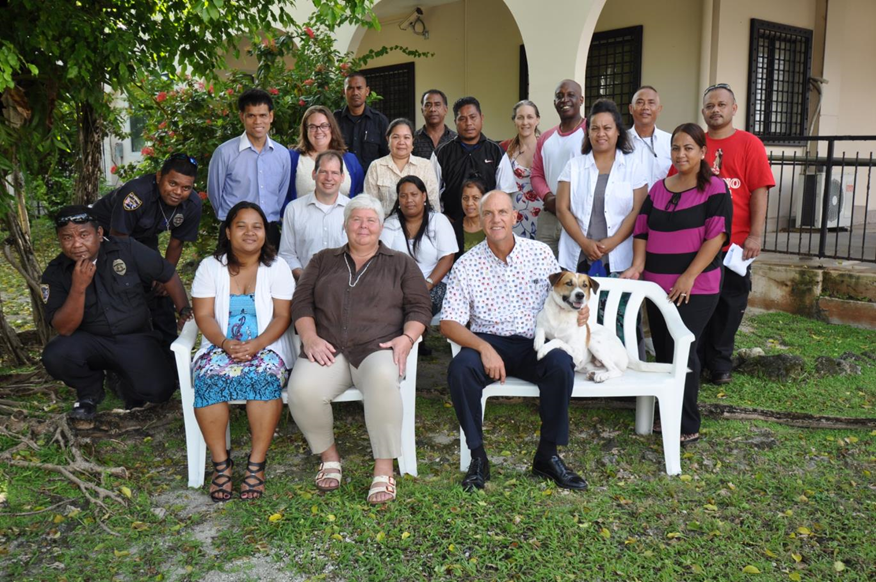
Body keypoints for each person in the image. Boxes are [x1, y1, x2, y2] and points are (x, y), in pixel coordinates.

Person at [441, 190, 589, 492]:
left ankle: (547, 456)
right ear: (480, 219)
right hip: (487, 343)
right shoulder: (466, 265)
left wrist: (581, 309)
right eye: (489, 214)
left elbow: (568, 290)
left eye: (503, 213)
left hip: (535, 341)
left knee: (561, 364)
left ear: (515, 217)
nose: (496, 220)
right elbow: (448, 323)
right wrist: (483, 348)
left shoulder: (539, 254)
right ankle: (478, 457)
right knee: (460, 369)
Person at [287, 195, 431, 505]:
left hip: (378, 345)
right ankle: (329, 457)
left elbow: (420, 307)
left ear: (381, 227)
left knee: (381, 378)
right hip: (329, 346)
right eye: (356, 219)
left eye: (370, 220)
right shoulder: (322, 259)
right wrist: (310, 337)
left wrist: (407, 338)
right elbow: (301, 301)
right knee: (301, 389)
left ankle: (383, 468)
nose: (363, 226)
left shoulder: (401, 263)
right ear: (345, 224)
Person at [621, 123, 733, 444]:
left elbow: (717, 236)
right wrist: (639, 267)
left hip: (695, 286)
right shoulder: (659, 188)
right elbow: (641, 229)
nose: (681, 154)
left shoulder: (715, 188)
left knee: (684, 349)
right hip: (657, 287)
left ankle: (686, 422)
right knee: (665, 350)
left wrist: (688, 276)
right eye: (675, 148)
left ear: (702, 152)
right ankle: (664, 410)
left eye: (688, 148)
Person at [40, 206, 193, 420]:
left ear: (99, 233)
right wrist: (78, 287)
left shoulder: (126, 249)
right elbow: (64, 328)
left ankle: (121, 376)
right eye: (67, 238)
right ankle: (89, 391)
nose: (76, 244)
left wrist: (183, 309)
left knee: (160, 390)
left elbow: (167, 273)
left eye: (84, 235)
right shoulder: (55, 272)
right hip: (90, 341)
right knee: (55, 355)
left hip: (134, 338)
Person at [190, 201, 296, 502]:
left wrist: (257, 344)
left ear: (266, 233)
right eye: (241, 226)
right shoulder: (210, 267)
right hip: (220, 346)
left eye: (257, 226)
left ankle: (255, 464)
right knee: (209, 380)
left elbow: (282, 317)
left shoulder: (277, 267)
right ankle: (221, 465)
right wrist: (225, 344)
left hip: (266, 346)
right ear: (228, 231)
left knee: (263, 380)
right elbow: (205, 316)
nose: (250, 232)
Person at [697, 83, 774, 385]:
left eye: (722, 105)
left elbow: (759, 191)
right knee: (700, 303)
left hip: (735, 245)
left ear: (734, 109)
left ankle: (720, 363)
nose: (715, 110)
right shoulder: (695, 142)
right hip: (699, 243)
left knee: (730, 304)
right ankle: (697, 359)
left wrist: (754, 235)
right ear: (703, 111)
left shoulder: (749, 143)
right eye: (710, 105)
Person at [90, 153, 202, 347]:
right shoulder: (136, 194)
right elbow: (119, 239)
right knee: (126, 287)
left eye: (186, 187)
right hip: (105, 235)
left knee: (160, 291)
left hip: (142, 237)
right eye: (172, 183)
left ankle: (169, 358)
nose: (178, 192)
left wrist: (162, 276)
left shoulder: (192, 204)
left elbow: (177, 243)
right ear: (159, 177)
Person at [556, 99, 649, 277]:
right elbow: (561, 209)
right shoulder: (573, 166)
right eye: (595, 128)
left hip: (619, 256)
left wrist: (612, 242)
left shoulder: (634, 167)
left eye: (607, 128)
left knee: (614, 304)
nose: (601, 134)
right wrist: (584, 243)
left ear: (618, 132)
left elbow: (638, 210)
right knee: (579, 304)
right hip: (578, 254)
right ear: (588, 133)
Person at [207, 88, 291, 248]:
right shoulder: (224, 153)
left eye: (263, 115)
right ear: (242, 117)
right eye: (251, 115)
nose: (257, 122)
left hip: (269, 231)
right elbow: (215, 194)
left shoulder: (282, 154)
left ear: (271, 116)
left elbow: (280, 195)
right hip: (234, 232)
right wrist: (232, 219)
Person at [433, 96, 515, 246]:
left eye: (472, 117)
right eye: (462, 119)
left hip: (489, 227)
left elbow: (505, 192)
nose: (468, 123)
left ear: (481, 118)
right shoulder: (441, 153)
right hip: (451, 226)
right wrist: (442, 220)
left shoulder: (495, 152)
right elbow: (432, 192)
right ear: (455, 122)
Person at [380, 175, 457, 315]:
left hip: (434, 284)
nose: (409, 200)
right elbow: (383, 261)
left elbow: (448, 258)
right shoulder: (390, 224)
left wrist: (426, 285)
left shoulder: (438, 220)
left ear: (424, 196)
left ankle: (411, 335)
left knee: (416, 311)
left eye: (414, 194)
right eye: (403, 196)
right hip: (397, 287)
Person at [531, 79, 588, 257]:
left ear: (581, 100)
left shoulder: (591, 132)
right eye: (559, 96)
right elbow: (536, 174)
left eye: (571, 95)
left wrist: (565, 203)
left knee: (575, 274)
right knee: (545, 273)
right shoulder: (546, 138)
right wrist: (548, 197)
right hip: (549, 215)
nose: (565, 99)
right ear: (554, 102)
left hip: (578, 216)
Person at [279, 150, 350, 281]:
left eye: (334, 173)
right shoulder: (294, 209)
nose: (329, 178)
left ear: (342, 177)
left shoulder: (353, 210)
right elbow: (286, 254)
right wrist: (306, 278)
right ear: (314, 174)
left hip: (345, 287)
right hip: (304, 287)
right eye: (323, 172)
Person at [285, 105, 364, 205]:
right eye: (312, 127)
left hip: (342, 220)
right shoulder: (292, 158)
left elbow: (359, 196)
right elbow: (282, 194)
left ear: (332, 128)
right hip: (303, 219)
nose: (318, 131)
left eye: (324, 125)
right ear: (306, 130)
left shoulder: (350, 160)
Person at [364, 118, 440, 215]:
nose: (401, 142)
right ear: (388, 139)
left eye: (406, 137)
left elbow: (434, 205)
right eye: (396, 137)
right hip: (385, 226)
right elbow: (369, 205)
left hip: (420, 226)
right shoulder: (376, 166)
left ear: (413, 140)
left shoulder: (425, 166)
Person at [500, 100, 542, 239]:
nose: (525, 122)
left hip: (543, 215)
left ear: (537, 120)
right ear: (514, 121)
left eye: (530, 117)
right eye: (520, 117)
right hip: (514, 217)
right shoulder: (505, 148)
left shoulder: (547, 148)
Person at [334, 72, 389, 172]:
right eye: (350, 88)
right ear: (344, 92)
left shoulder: (380, 121)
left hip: (370, 182)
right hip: (341, 181)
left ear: (367, 91)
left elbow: (387, 156)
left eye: (359, 88)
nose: (355, 92)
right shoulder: (334, 120)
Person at [628, 85, 672, 189]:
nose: (645, 107)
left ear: (659, 109)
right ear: (630, 108)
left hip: (661, 203)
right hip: (629, 204)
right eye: (640, 102)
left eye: (651, 103)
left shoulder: (670, 142)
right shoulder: (620, 141)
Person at [413, 89, 457, 159]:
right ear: (422, 110)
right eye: (428, 105)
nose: (433, 109)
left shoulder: (456, 140)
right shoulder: (412, 140)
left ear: (445, 110)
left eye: (437, 105)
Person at [452, 176, 487, 255]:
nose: (469, 203)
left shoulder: (493, 226)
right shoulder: (454, 229)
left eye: (475, 198)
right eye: (465, 198)